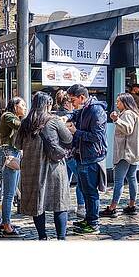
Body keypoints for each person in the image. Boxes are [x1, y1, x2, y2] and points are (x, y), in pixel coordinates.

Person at [15, 91, 72, 240]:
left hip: (31, 168)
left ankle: (42, 237)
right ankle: (61, 238)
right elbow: (68, 138)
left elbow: (17, 144)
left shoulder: (25, 122)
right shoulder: (54, 120)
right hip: (53, 167)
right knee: (59, 203)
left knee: (37, 203)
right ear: (47, 105)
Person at [66, 84, 108, 234]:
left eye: (73, 100)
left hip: (91, 158)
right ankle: (88, 220)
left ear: (82, 97)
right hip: (82, 156)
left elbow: (96, 137)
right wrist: (67, 116)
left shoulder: (96, 111)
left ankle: (93, 224)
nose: (72, 103)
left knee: (90, 192)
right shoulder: (85, 108)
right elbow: (75, 114)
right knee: (85, 190)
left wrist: (76, 132)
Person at [99, 93, 139, 217]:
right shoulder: (137, 114)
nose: (116, 104)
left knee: (119, 180)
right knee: (132, 177)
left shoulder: (128, 114)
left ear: (125, 102)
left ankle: (112, 208)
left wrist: (116, 119)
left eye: (118, 102)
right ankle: (132, 205)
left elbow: (128, 129)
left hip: (125, 153)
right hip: (134, 152)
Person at [0, 96, 27, 237]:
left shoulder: (12, 116)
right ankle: (7, 226)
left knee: (12, 190)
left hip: (13, 153)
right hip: (8, 153)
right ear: (15, 106)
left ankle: (5, 221)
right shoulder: (8, 116)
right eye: (23, 105)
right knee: (8, 194)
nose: (25, 108)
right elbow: (19, 126)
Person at [54, 89, 86, 219]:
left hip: (62, 153)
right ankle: (81, 206)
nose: (73, 104)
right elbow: (70, 135)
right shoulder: (68, 115)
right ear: (67, 102)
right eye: (71, 101)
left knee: (64, 180)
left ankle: (64, 205)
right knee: (80, 180)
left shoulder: (56, 113)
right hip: (70, 153)